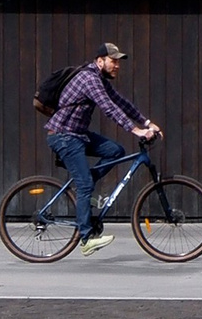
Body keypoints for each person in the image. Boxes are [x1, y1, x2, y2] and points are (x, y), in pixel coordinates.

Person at [44, 43, 160, 255]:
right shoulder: (89, 79)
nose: (117, 65)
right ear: (100, 61)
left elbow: (120, 102)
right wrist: (136, 130)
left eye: (118, 61)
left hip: (78, 134)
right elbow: (109, 108)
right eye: (113, 61)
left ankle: (85, 186)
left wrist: (147, 122)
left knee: (115, 151)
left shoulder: (99, 80)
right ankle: (86, 238)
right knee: (85, 184)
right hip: (64, 136)